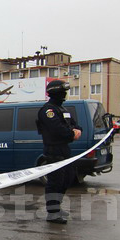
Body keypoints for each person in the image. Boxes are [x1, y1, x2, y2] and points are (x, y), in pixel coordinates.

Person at [36, 80, 81, 224]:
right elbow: (57, 130)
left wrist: (76, 131)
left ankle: (57, 206)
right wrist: (72, 134)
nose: (64, 95)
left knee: (68, 178)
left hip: (65, 149)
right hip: (53, 149)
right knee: (55, 181)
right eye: (63, 92)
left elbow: (75, 125)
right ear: (56, 92)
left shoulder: (62, 109)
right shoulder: (48, 111)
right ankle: (52, 212)